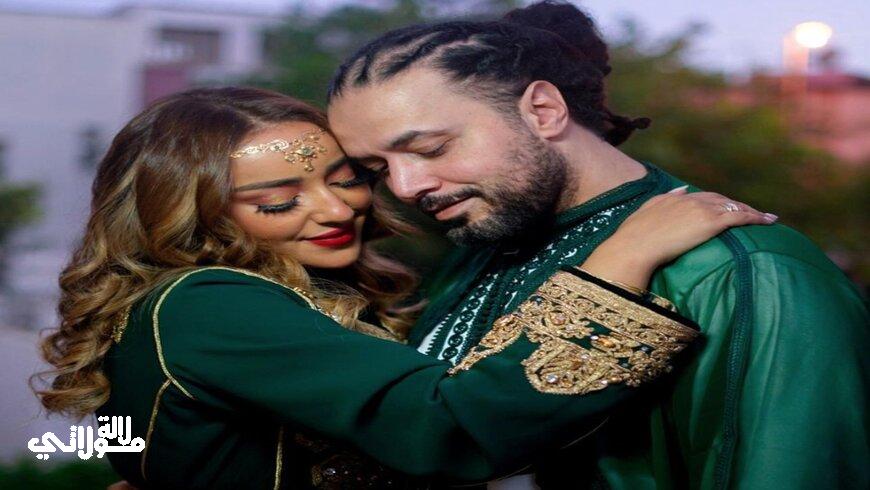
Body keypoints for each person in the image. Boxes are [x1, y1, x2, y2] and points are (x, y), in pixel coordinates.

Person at [34, 87, 771, 490]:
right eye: (281, 201)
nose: (336, 209)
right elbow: (445, 429)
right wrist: (622, 259)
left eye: (346, 177)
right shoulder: (209, 303)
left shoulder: (209, 303)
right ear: (192, 214)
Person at [325, 2, 870, 489]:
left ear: (543, 110)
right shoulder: (482, 249)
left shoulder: (742, 269)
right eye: (378, 169)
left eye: (430, 148)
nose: (405, 187)